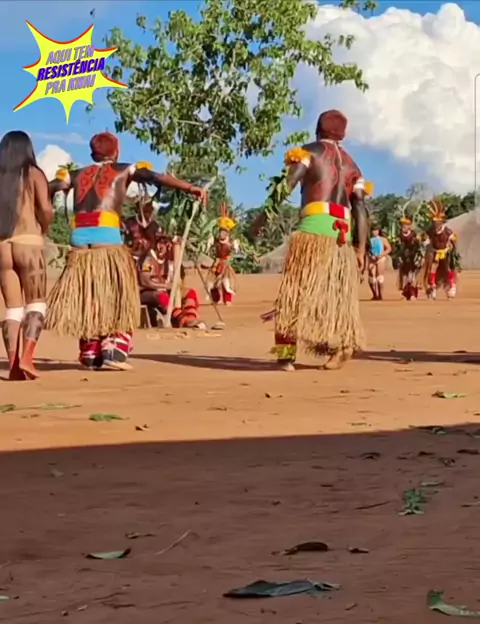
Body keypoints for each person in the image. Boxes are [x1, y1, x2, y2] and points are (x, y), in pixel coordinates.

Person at [46, 132, 206, 370]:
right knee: (120, 295)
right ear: (116, 152)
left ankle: (90, 349)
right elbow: (156, 177)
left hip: (79, 243)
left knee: (90, 295)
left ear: (92, 154)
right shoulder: (124, 170)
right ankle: (113, 347)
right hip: (107, 242)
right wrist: (191, 188)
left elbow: (49, 187)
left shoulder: (74, 175)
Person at [255, 109, 368, 371]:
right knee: (336, 296)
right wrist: (360, 249)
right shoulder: (353, 166)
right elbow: (360, 207)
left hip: (313, 233)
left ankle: (285, 357)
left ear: (318, 130)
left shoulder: (308, 152)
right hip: (342, 237)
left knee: (293, 295)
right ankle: (342, 346)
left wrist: (261, 218)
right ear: (343, 134)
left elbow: (287, 184)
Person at [0, 130, 53, 381]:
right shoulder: (33, 173)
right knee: (36, 303)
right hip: (28, 242)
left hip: (3, 247)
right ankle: (27, 359)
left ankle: (13, 364)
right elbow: (45, 208)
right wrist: (44, 226)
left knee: (13, 308)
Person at [138, 231, 204, 328]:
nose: (161, 246)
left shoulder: (168, 259)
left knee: (190, 293)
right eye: (160, 243)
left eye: (165, 243)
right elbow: (145, 282)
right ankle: (180, 318)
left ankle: (191, 317)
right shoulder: (148, 260)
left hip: (164, 290)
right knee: (161, 296)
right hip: (146, 293)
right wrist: (165, 286)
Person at [423, 199, 459, 300]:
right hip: (435, 253)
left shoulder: (447, 231)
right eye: (435, 223)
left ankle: (451, 286)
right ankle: (432, 286)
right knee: (432, 269)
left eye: (438, 223)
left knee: (448, 269)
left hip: (446, 253)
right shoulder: (431, 231)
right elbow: (425, 237)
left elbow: (453, 239)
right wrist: (424, 241)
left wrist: (452, 244)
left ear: (442, 222)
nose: (436, 225)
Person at [207, 204, 239, 306]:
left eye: (224, 232)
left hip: (225, 263)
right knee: (213, 281)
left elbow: (236, 250)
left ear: (227, 233)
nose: (222, 233)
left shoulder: (231, 242)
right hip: (217, 263)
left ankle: (228, 300)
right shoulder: (215, 240)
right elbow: (209, 247)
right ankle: (216, 299)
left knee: (226, 281)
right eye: (221, 231)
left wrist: (235, 247)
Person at [123, 190, 160, 261]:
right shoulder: (130, 223)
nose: (142, 241)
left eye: (137, 245)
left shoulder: (154, 226)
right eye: (143, 247)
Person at [395, 216, 423, 300]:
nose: (404, 226)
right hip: (404, 257)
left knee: (412, 276)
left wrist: (418, 256)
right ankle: (406, 293)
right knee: (405, 276)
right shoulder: (399, 235)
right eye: (403, 225)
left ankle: (413, 294)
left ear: (410, 226)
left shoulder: (414, 234)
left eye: (406, 225)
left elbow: (419, 247)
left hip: (413, 257)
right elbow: (397, 247)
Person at [367, 225, 391, 300]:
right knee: (371, 278)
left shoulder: (383, 239)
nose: (374, 232)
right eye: (373, 230)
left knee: (379, 277)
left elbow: (389, 248)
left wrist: (381, 255)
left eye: (376, 230)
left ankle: (381, 295)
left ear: (378, 231)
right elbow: (367, 250)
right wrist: (370, 256)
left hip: (381, 259)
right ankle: (375, 294)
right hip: (372, 259)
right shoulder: (369, 240)